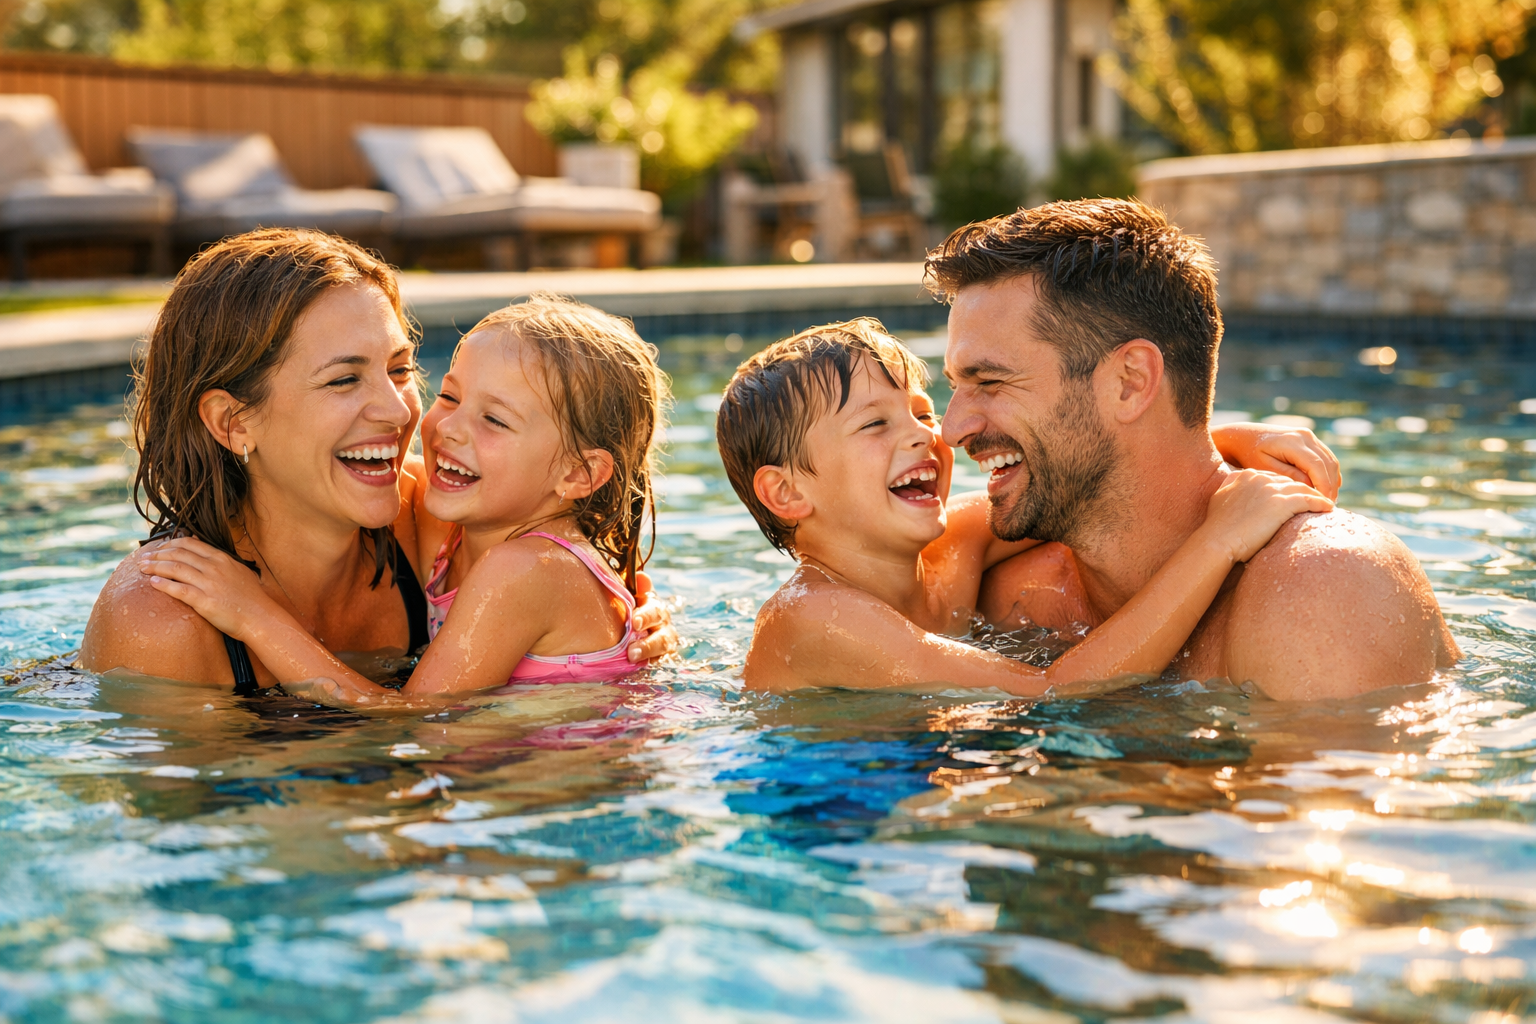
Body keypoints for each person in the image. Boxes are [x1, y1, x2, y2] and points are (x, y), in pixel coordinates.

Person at [79, 231, 675, 691]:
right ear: (235, 422)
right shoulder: (161, 622)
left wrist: (635, 632)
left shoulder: (430, 517)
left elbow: (564, 590)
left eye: (399, 370)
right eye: (343, 379)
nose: (398, 413)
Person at [929, 199, 1461, 701]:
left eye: (991, 381)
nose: (953, 429)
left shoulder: (1324, 588)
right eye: (956, 385)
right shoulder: (1005, 596)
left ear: (1131, 382)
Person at [715, 320, 1336, 695]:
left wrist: (1227, 439)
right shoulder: (817, 617)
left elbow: (1080, 478)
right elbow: (1055, 691)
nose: (927, 436)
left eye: (924, 412)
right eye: (875, 423)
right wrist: (1217, 541)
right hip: (834, 811)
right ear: (787, 493)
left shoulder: (953, 546)